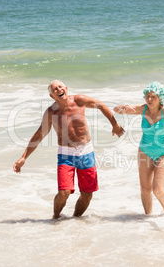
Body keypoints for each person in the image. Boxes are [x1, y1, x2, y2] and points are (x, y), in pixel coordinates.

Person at [13, 80, 125, 219]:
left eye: (60, 87)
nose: (58, 89)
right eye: (54, 89)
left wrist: (114, 124)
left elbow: (101, 105)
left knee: (87, 194)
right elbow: (39, 134)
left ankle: (75, 220)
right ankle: (55, 217)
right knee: (63, 192)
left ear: (66, 88)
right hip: (66, 155)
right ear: (51, 96)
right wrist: (24, 157)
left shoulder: (80, 101)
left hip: (86, 153)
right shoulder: (51, 113)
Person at [114, 81, 164, 215]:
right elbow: (117, 110)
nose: (149, 99)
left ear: (160, 98)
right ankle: (147, 218)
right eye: (147, 96)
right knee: (145, 189)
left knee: (157, 189)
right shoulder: (142, 108)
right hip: (145, 151)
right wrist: (123, 108)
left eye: (153, 97)